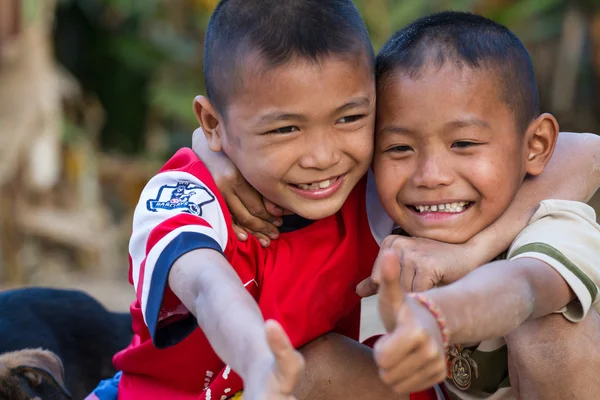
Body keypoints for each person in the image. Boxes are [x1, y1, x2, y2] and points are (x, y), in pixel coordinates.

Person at [364, 11, 600, 399]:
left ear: (535, 146)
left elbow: (522, 288)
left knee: (547, 327)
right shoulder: (389, 213)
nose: (430, 175)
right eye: (399, 148)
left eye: (464, 144)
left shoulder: (555, 222)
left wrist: (441, 315)